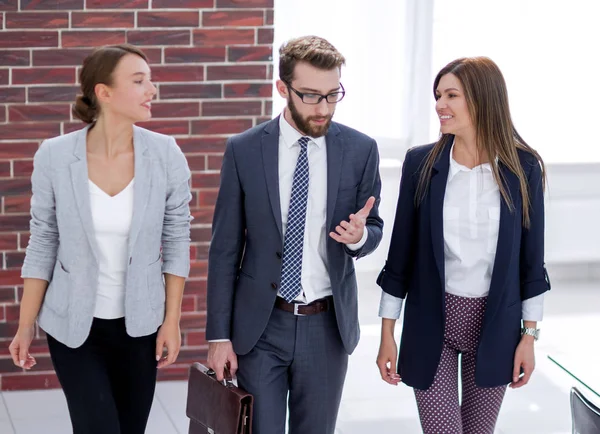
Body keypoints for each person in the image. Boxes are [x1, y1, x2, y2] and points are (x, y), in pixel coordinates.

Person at [8, 44, 192, 434]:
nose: (152, 90)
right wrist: (26, 326)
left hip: (140, 327)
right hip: (74, 328)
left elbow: (177, 240)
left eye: (151, 80)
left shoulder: (165, 154)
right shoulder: (55, 157)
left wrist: (171, 321)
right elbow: (43, 242)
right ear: (103, 92)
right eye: (139, 81)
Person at [205, 35, 383, 434]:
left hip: (327, 326)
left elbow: (374, 229)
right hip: (261, 326)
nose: (324, 108)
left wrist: (358, 237)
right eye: (310, 96)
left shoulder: (360, 150)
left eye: (333, 95)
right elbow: (224, 250)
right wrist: (219, 336)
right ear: (282, 89)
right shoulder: (245, 150)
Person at [375, 57, 551, 434]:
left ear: (483, 99)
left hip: (496, 326)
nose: (440, 104)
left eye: (451, 95)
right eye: (438, 95)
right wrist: (387, 333)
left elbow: (531, 265)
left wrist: (529, 336)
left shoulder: (524, 168)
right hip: (430, 323)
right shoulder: (421, 164)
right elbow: (400, 255)